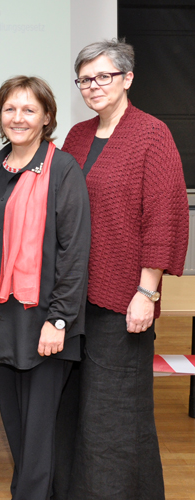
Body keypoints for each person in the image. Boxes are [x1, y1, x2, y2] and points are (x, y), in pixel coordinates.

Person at [60, 39, 189, 500]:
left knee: (114, 414)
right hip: (73, 299)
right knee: (78, 413)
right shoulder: (76, 136)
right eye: (85, 79)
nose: (92, 86)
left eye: (103, 77)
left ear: (127, 78)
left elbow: (164, 217)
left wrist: (147, 292)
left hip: (123, 298)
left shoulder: (153, 135)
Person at [0, 76, 91, 500]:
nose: (18, 118)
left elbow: (75, 250)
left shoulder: (62, 169)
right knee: (15, 422)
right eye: (10, 109)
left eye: (29, 110)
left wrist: (59, 318)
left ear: (47, 117)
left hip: (45, 319)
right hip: (0, 317)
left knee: (38, 429)